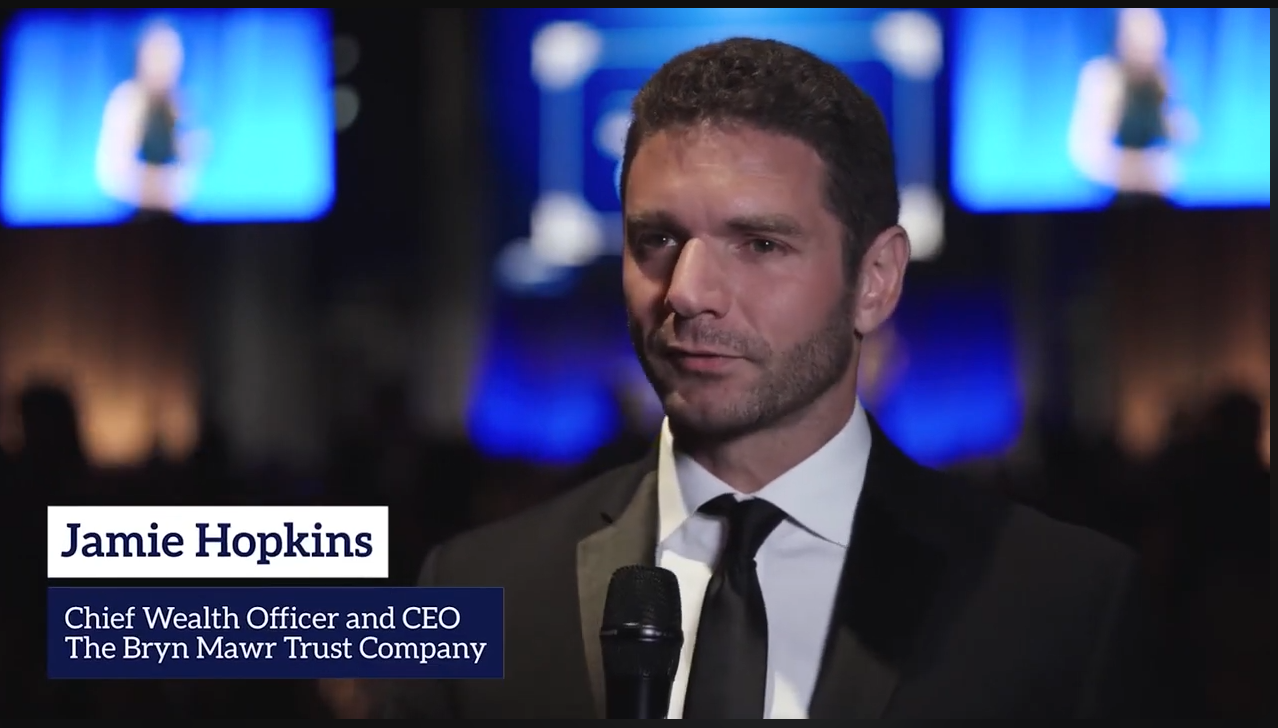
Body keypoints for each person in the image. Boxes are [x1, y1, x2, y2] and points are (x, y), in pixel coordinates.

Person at [382, 38, 1169, 719]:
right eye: (657, 240)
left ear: (876, 281)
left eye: (759, 244)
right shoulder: (477, 590)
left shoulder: (1063, 602)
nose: (687, 292)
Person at [1067, 7, 1196, 204]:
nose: (1148, 39)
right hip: (1109, 203)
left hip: (1159, 202)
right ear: (1119, 37)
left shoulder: (1163, 79)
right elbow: (1086, 155)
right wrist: (1137, 171)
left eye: (1153, 29)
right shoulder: (1102, 78)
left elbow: (1184, 144)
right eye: (1137, 30)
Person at [95, 20, 209, 215]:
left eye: (171, 54)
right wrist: (157, 186)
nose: (166, 63)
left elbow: (188, 182)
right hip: (130, 219)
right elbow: (111, 175)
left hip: (174, 220)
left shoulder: (181, 104)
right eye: (158, 54)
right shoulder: (126, 101)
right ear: (141, 56)